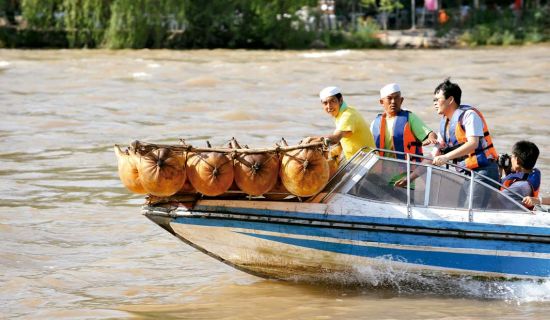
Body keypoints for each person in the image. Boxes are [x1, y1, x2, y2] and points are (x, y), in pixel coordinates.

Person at [431, 78, 500, 207]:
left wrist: (445, 157)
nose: (434, 103)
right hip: (467, 171)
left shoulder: (469, 116)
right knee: (461, 207)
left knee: (469, 210)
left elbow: (473, 143)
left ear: (450, 99)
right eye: (433, 100)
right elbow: (434, 154)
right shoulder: (445, 123)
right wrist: (411, 177)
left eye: (437, 99)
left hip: (483, 170)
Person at [372, 83, 437, 188]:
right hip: (381, 177)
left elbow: (430, 133)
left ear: (401, 100)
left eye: (396, 98)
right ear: (381, 102)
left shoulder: (409, 118)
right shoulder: (375, 123)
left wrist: (431, 138)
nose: (393, 102)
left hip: (404, 178)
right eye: (389, 98)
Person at [318, 86, 375, 160]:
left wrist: (315, 141)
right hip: (356, 160)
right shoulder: (342, 113)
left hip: (367, 161)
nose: (329, 106)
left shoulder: (348, 115)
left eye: (332, 101)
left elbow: (336, 138)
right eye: (325, 103)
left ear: (340, 100)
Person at [500, 141, 541, 209]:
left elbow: (493, 202)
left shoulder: (519, 186)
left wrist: (498, 171)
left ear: (517, 160)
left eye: (512, 156)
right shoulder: (530, 175)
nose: (510, 159)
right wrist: (506, 171)